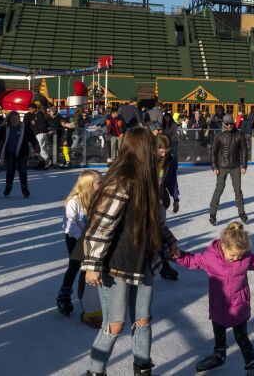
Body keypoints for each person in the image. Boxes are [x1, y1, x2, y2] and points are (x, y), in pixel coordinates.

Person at [79, 127, 178, 376]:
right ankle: (95, 372)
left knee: (143, 319)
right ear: (142, 149)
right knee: (114, 324)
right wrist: (93, 264)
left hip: (141, 259)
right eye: (152, 147)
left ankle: (142, 369)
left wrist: (169, 241)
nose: (156, 152)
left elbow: (154, 220)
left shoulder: (147, 180)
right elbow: (101, 225)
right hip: (116, 262)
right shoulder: (121, 180)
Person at [173, 222, 254, 376]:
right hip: (218, 305)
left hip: (239, 305)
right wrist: (178, 256)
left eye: (240, 256)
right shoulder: (210, 258)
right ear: (223, 246)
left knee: (242, 337)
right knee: (219, 335)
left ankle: (252, 365)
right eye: (233, 255)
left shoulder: (244, 258)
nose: (236, 259)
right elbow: (192, 260)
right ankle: (219, 356)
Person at [57, 170, 101, 316]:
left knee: (90, 265)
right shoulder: (74, 201)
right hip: (74, 237)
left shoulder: (99, 198)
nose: (102, 185)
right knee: (75, 265)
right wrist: (83, 239)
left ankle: (89, 296)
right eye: (99, 183)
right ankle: (64, 296)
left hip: (91, 237)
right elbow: (70, 225)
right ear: (89, 185)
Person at [209, 114, 248, 226]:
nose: (229, 125)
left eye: (231, 123)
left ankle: (242, 213)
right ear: (223, 124)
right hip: (222, 167)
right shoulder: (219, 136)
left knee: (238, 190)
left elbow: (244, 150)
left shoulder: (239, 135)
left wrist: (244, 165)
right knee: (219, 189)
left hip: (235, 167)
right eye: (227, 124)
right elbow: (213, 152)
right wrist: (214, 166)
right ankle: (212, 214)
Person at [0, 111, 39, 198]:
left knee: (23, 171)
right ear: (9, 119)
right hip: (10, 153)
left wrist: (36, 149)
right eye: (12, 119)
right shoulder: (5, 129)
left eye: (16, 118)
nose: (14, 120)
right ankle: (8, 188)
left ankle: (25, 189)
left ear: (19, 119)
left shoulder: (25, 128)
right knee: (10, 170)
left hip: (22, 153)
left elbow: (33, 139)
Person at [156, 134, 181, 281]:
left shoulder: (169, 161)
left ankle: (164, 265)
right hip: (145, 201)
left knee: (161, 232)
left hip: (160, 201)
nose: (163, 154)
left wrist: (175, 198)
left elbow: (172, 180)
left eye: (166, 151)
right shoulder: (146, 159)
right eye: (161, 150)